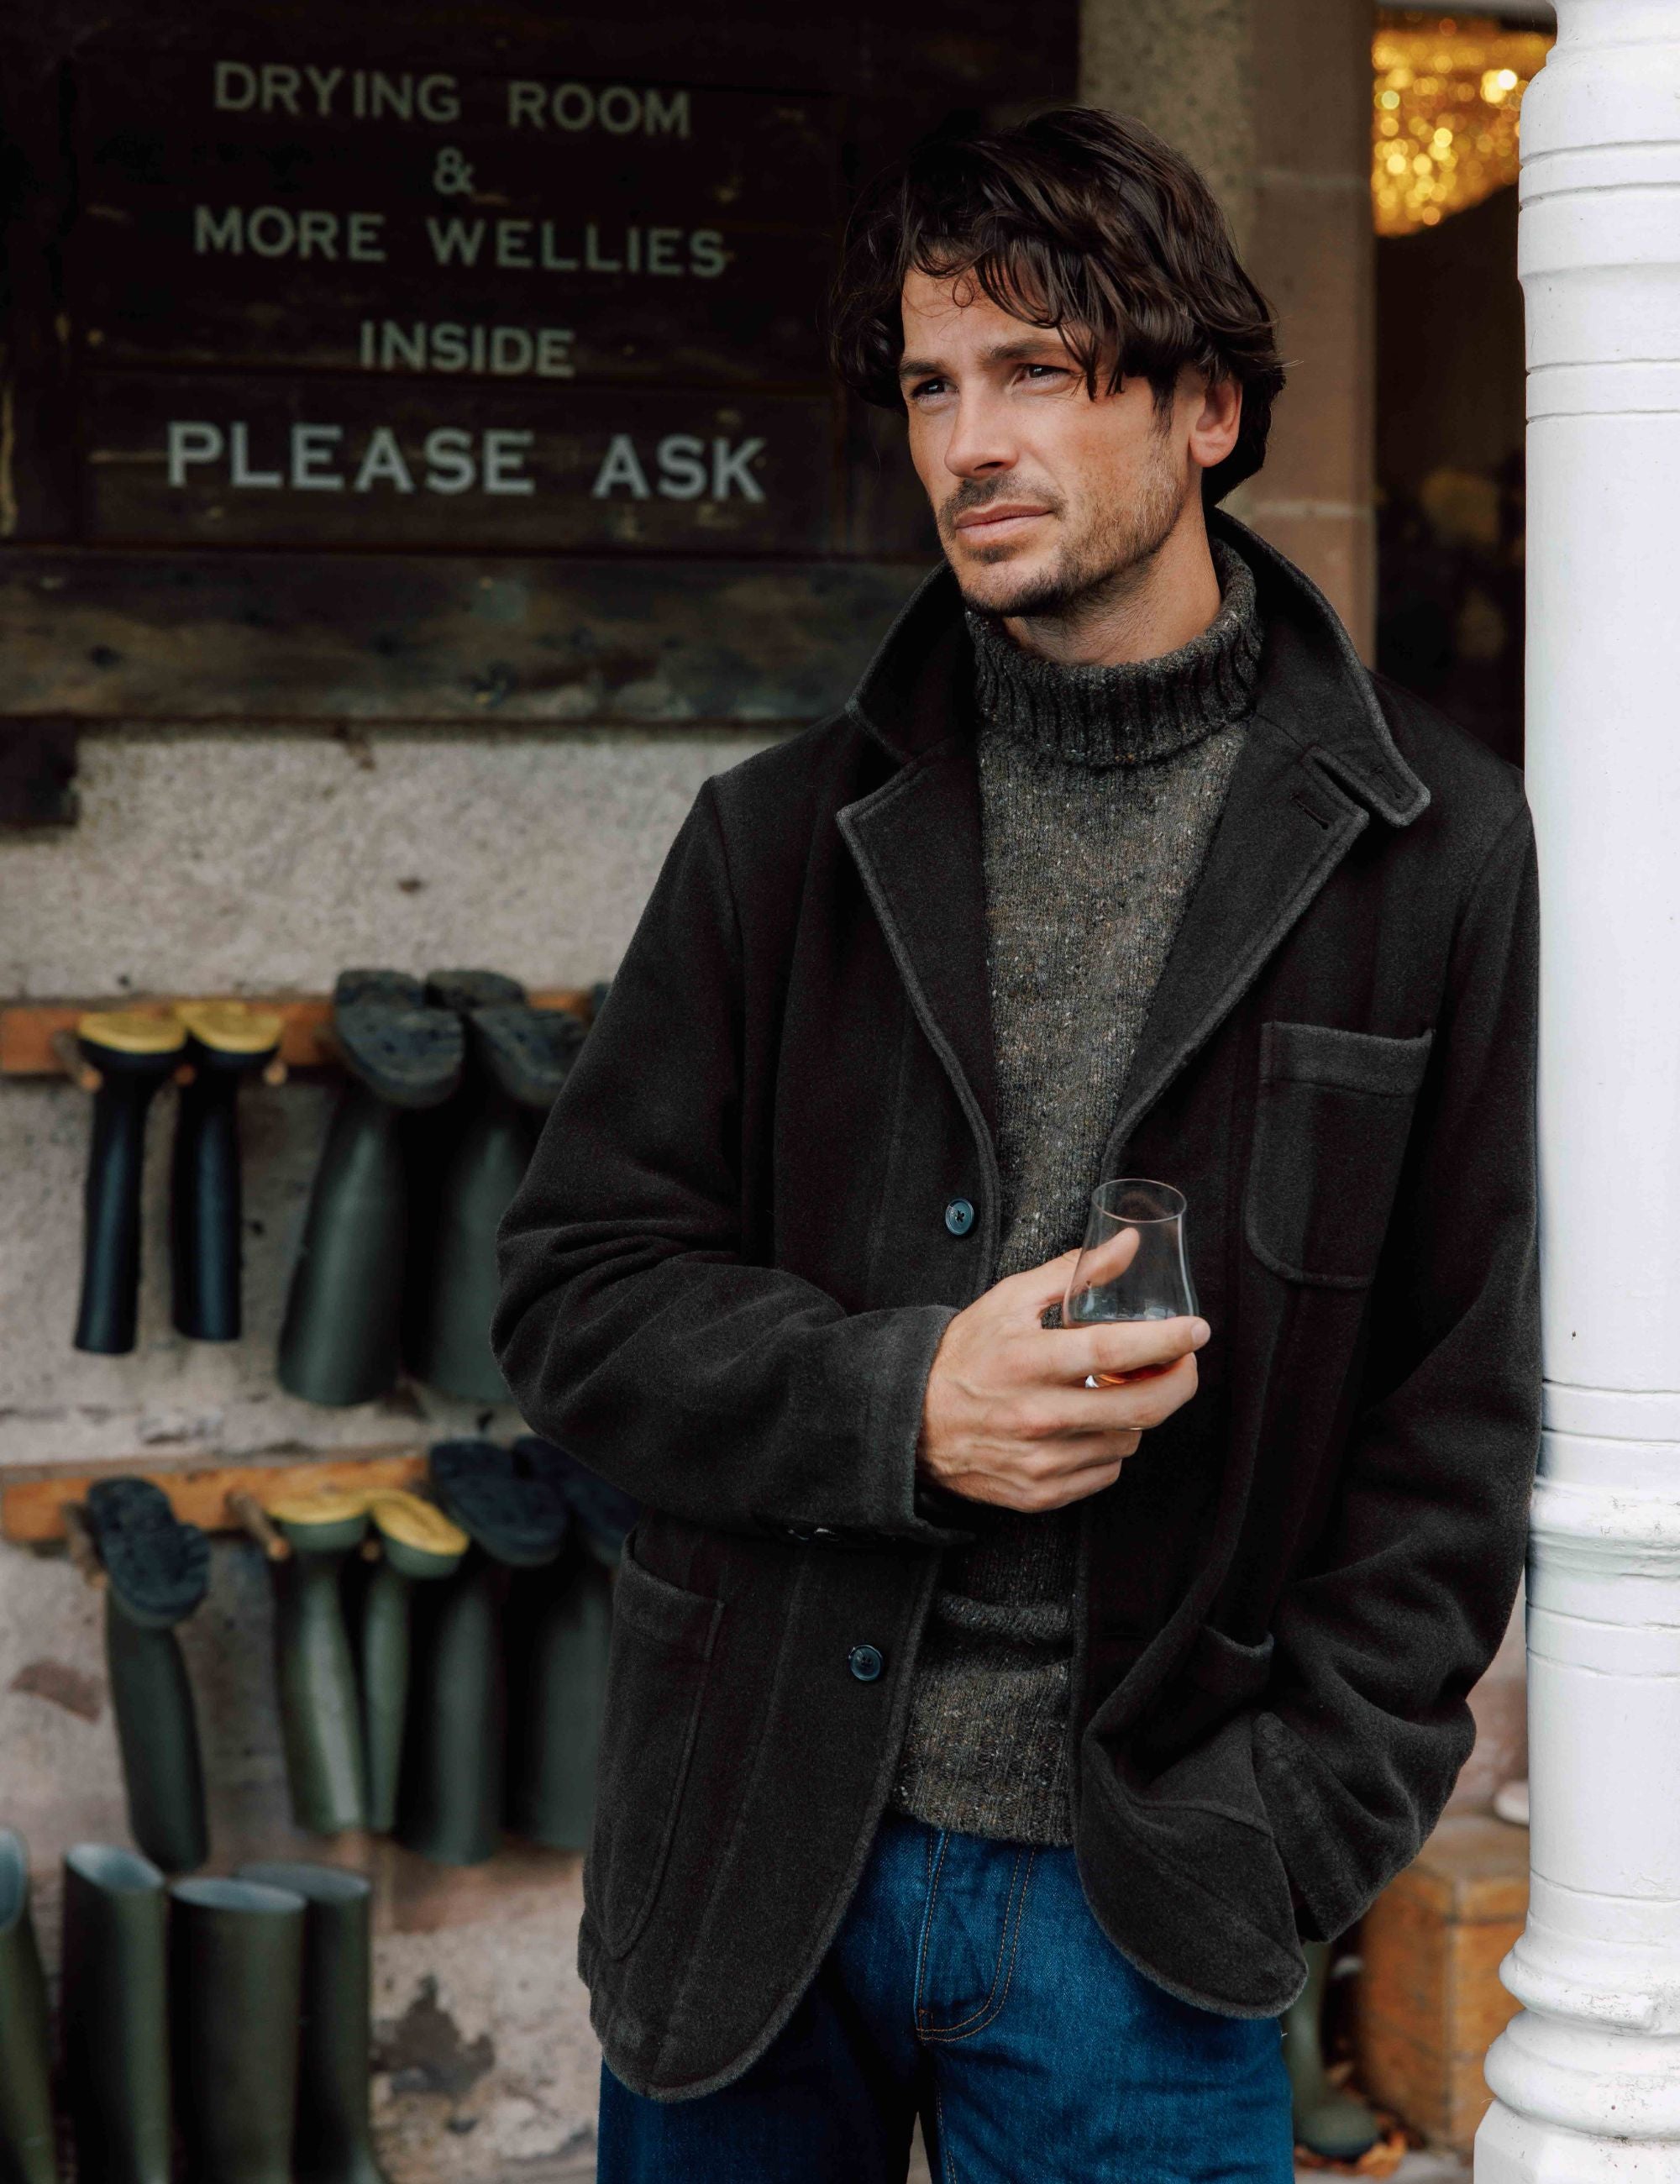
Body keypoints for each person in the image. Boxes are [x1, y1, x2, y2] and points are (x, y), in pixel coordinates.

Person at [494, 105, 1539, 2184]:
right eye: (930, 384)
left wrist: (1288, 1827)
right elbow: (572, 1298)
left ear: (1209, 409)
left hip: (1145, 1901)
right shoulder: (775, 840)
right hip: (759, 1852)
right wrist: (908, 1402)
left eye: (1041, 373)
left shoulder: (1431, 854)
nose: (970, 442)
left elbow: (1459, 1410)